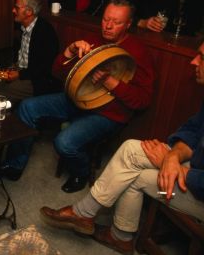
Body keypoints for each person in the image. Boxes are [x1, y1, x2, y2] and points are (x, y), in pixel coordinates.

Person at [40, 41, 204, 255]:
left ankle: (119, 236)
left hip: (198, 186)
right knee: (130, 149)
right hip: (195, 163)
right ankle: (88, 216)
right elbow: (193, 131)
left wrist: (174, 167)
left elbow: (140, 99)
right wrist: (173, 157)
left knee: (135, 176)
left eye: (201, 56)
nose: (193, 61)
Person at [0, 0, 155, 193]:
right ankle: (14, 164)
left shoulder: (138, 52)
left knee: (64, 143)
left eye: (116, 22)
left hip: (107, 114)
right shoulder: (94, 39)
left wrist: (111, 83)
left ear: (128, 25)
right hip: (77, 99)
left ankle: (81, 171)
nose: (108, 26)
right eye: (106, 19)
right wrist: (69, 51)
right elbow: (57, 72)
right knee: (27, 107)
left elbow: (143, 100)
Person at [0, 0, 60, 102]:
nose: (13, 11)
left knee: (5, 90)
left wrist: (19, 74)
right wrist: (13, 68)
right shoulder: (22, 27)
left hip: (37, 80)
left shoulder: (44, 32)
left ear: (29, 12)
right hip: (23, 70)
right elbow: (21, 56)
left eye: (16, 8)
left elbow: (43, 68)